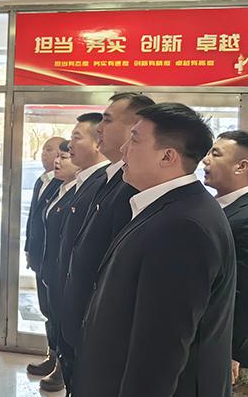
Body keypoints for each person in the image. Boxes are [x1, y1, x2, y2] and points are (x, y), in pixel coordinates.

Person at [74, 103, 236, 397]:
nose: (123, 148)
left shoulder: (183, 226)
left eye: (135, 140)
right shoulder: (168, 207)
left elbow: (160, 350)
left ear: (167, 156)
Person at [58, 93, 154, 392]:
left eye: (108, 120)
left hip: (101, 333)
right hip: (81, 324)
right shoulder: (106, 178)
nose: (99, 128)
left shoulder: (134, 187)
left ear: (135, 128)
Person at [49, 113, 109, 393]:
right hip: (69, 291)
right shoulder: (87, 181)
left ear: (98, 142)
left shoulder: (103, 183)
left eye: (76, 137)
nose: (69, 144)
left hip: (87, 304)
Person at [203, 130, 248, 383]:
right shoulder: (212, 206)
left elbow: (243, 288)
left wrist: (232, 349)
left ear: (241, 166)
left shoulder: (244, 216)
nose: (205, 159)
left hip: (229, 348)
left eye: (216, 154)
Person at [36, 140, 80, 389]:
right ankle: (53, 357)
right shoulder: (57, 187)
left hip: (63, 270)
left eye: (65, 157)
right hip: (48, 265)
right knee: (50, 313)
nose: (57, 161)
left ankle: (61, 369)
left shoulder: (80, 192)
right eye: (58, 156)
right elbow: (39, 223)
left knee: (62, 318)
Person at [26, 137, 65, 377]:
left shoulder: (64, 184)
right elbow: (34, 219)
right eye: (44, 149)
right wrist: (29, 249)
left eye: (50, 150)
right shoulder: (42, 181)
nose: (44, 154)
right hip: (40, 258)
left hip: (55, 262)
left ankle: (60, 364)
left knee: (57, 312)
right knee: (46, 310)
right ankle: (52, 356)